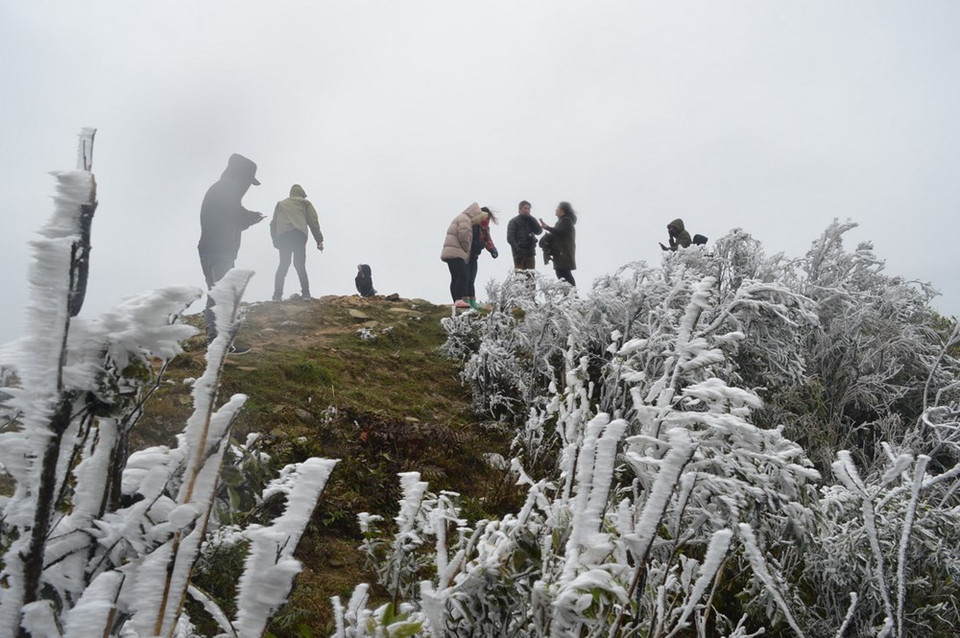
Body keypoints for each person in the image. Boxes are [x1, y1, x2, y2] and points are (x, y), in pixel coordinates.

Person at [197, 153, 265, 352]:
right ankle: (221, 343)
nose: (247, 186)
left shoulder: (221, 189)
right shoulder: (227, 189)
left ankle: (216, 341)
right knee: (224, 297)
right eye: (248, 180)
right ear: (241, 175)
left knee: (216, 296)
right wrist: (250, 217)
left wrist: (248, 219)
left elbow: (227, 219)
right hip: (219, 250)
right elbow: (234, 214)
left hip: (211, 249)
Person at [270, 184, 324, 301]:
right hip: (298, 235)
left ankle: (277, 296)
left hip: (283, 236)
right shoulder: (305, 203)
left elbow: (273, 224)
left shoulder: (281, 204)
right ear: (301, 193)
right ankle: (306, 294)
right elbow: (313, 221)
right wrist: (319, 240)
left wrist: (275, 241)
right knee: (299, 265)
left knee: (284, 264)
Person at [441, 202, 486, 308]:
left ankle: (456, 300)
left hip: (450, 252)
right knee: (462, 276)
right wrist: (467, 250)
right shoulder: (465, 220)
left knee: (455, 277)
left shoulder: (460, 217)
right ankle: (458, 300)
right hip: (457, 253)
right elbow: (464, 236)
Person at [465, 207, 499, 309]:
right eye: (485, 218)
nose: (486, 220)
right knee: (466, 278)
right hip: (467, 255)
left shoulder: (484, 229)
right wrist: (479, 245)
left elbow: (487, 240)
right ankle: (466, 301)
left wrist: (493, 250)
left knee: (472, 279)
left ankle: (472, 301)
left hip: (474, 256)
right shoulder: (473, 226)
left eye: (488, 218)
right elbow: (470, 241)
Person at [539, 201, 577, 286]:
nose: (556, 210)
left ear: (562, 211)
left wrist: (547, 228)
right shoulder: (562, 221)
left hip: (563, 253)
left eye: (558, 208)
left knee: (564, 275)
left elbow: (561, 233)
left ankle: (572, 296)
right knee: (562, 275)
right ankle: (568, 296)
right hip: (560, 253)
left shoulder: (566, 221)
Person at [506, 200, 542, 270]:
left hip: (530, 252)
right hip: (519, 253)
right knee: (520, 276)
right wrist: (518, 250)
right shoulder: (513, 221)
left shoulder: (531, 220)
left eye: (529, 209)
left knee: (531, 276)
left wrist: (532, 220)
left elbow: (539, 231)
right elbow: (510, 238)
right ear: (520, 209)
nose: (527, 210)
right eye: (525, 208)